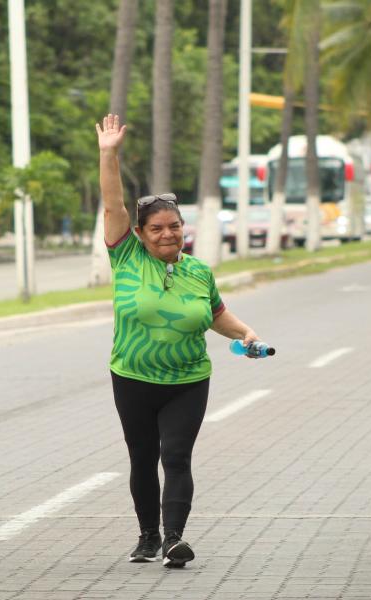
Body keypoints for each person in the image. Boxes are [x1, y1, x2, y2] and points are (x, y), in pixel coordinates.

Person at [96, 114, 265, 568]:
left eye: (175, 226)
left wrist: (245, 332)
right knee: (142, 457)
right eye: (157, 228)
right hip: (132, 376)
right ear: (139, 234)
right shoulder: (126, 257)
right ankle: (147, 535)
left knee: (175, 455)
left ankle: (174, 539)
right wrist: (108, 154)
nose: (168, 234)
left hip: (188, 378)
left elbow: (217, 316)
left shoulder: (198, 272)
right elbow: (113, 205)